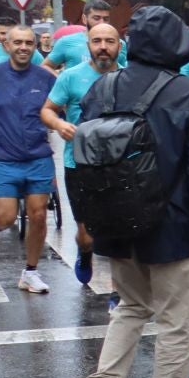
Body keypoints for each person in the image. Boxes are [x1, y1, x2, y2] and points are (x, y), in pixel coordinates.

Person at [75, 6, 189, 378]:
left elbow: (83, 160)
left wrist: (88, 219)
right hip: (172, 225)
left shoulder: (101, 88)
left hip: (114, 221)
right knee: (177, 322)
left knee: (130, 306)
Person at [41, 21, 124, 288]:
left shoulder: (128, 78)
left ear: (118, 46)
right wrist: (59, 124)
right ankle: (85, 253)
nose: (103, 47)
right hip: (78, 164)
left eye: (109, 42)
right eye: (97, 41)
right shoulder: (71, 76)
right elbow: (47, 110)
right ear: (88, 45)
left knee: (117, 231)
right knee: (87, 235)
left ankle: (118, 292)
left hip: (119, 164)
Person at [0, 25, 58, 293]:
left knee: (39, 215)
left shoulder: (46, 79)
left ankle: (30, 272)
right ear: (6, 45)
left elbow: (58, 109)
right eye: (17, 42)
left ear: (35, 47)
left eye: (29, 43)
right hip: (2, 158)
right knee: (5, 219)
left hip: (38, 157)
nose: (23, 47)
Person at [44, 0, 127, 73]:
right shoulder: (66, 42)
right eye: (96, 18)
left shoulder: (119, 44)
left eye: (106, 19)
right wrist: (61, 80)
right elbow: (45, 66)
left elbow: (125, 71)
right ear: (84, 19)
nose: (102, 22)